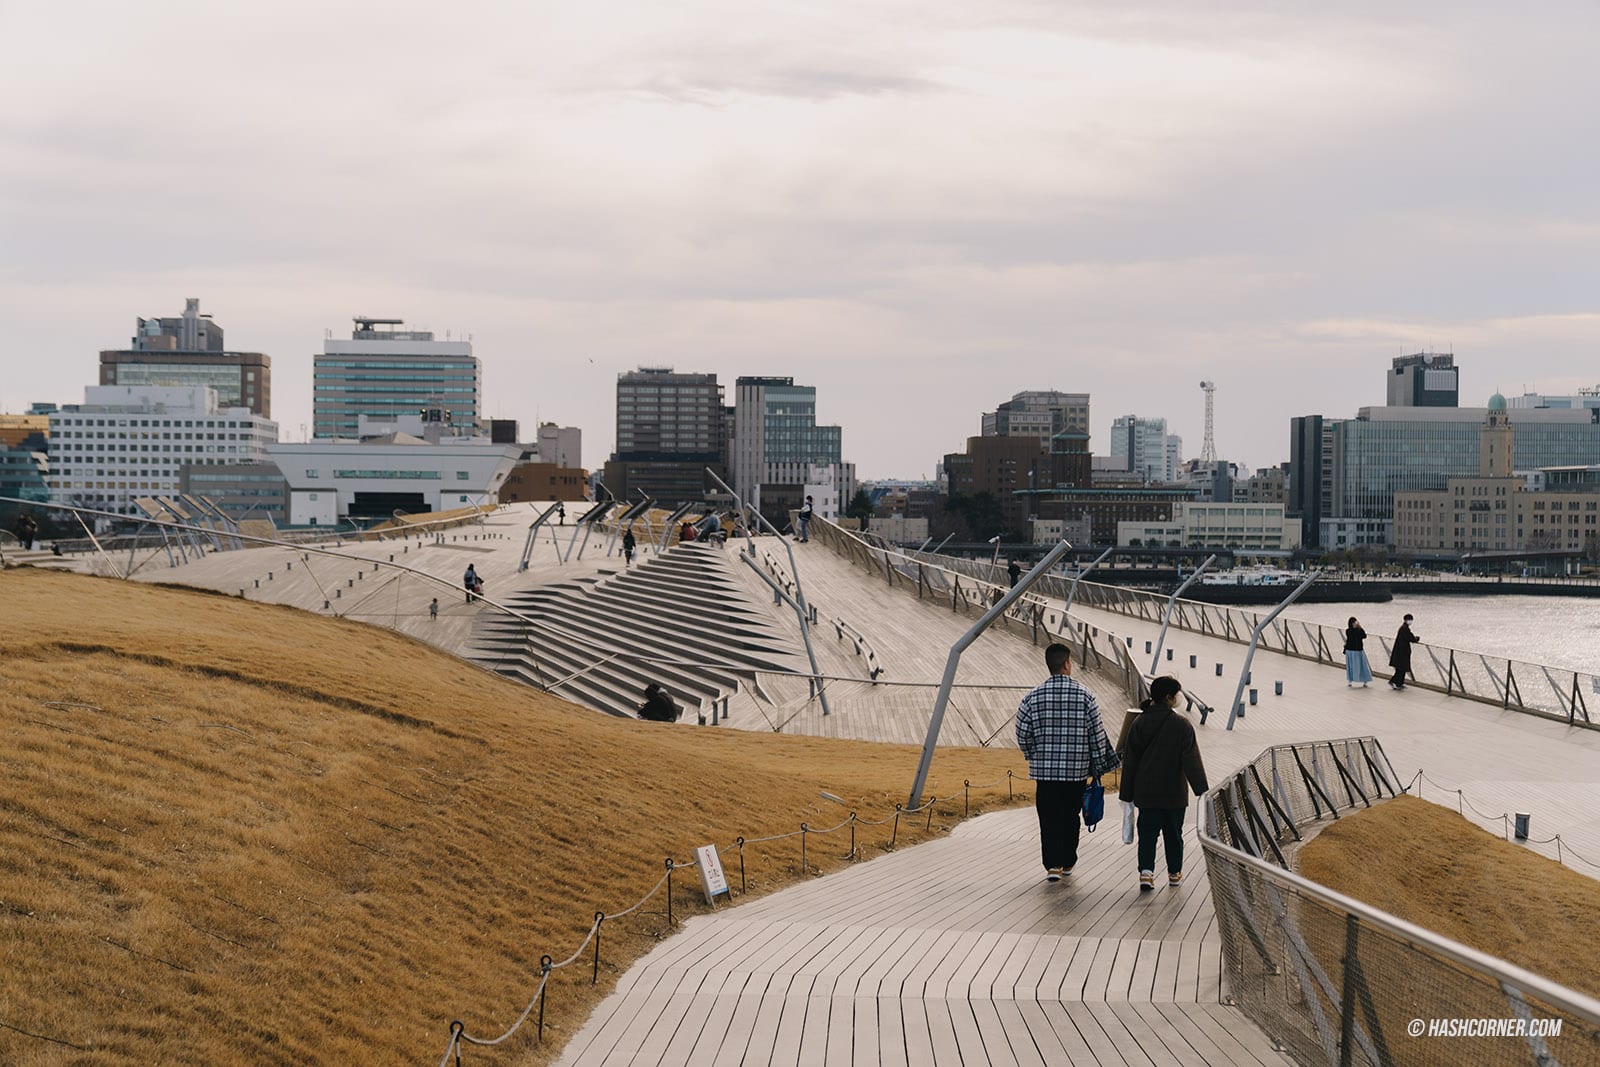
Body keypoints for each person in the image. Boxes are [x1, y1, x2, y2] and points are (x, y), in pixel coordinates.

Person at [1016, 642, 1121, 882]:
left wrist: (1034, 755)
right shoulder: (1086, 695)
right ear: (1066, 664)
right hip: (1076, 772)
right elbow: (1096, 734)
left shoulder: (1032, 697)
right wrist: (1097, 767)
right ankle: (1067, 862)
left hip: (1045, 773)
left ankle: (1052, 865)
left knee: (1049, 817)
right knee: (1071, 816)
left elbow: (1022, 732)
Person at [1119, 676, 1208, 891]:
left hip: (1146, 792)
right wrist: (1202, 791)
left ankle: (1146, 873)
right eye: (1176, 694)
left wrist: (1126, 793)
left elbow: (1130, 761)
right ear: (1169, 698)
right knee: (1174, 835)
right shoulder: (1181, 725)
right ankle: (1174, 873)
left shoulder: (1139, 723)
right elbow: (1191, 760)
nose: (1178, 698)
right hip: (1173, 793)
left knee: (1147, 834)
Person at [1389, 613, 1419, 690]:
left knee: (1402, 668)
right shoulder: (1404, 629)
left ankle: (1400, 683)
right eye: (1410, 620)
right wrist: (1416, 639)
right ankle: (1394, 681)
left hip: (1401, 652)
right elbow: (1410, 637)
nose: (1410, 621)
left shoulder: (1404, 628)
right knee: (1401, 668)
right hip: (1401, 652)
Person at [1344, 616, 1372, 688]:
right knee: (1351, 666)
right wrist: (1358, 628)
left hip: (1358, 650)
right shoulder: (1348, 631)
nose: (1355, 624)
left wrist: (1360, 628)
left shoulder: (1358, 630)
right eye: (1354, 622)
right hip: (1351, 650)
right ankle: (1350, 680)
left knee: (1362, 665)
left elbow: (1364, 636)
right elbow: (1353, 634)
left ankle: (1365, 680)